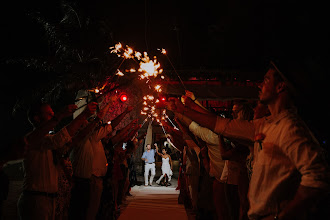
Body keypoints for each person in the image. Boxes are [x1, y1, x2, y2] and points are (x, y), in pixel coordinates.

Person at [167, 60, 330, 219]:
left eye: (266, 80)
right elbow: (222, 124)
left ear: (280, 87)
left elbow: (317, 178)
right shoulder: (265, 124)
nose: (260, 85)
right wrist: (186, 109)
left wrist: (285, 215)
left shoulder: (290, 127)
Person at [17, 101, 97, 220]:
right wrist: (83, 115)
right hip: (36, 200)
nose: (53, 116)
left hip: (50, 199)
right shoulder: (34, 138)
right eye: (49, 114)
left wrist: (93, 119)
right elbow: (59, 140)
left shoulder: (47, 139)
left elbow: (73, 140)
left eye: (53, 113)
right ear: (37, 118)